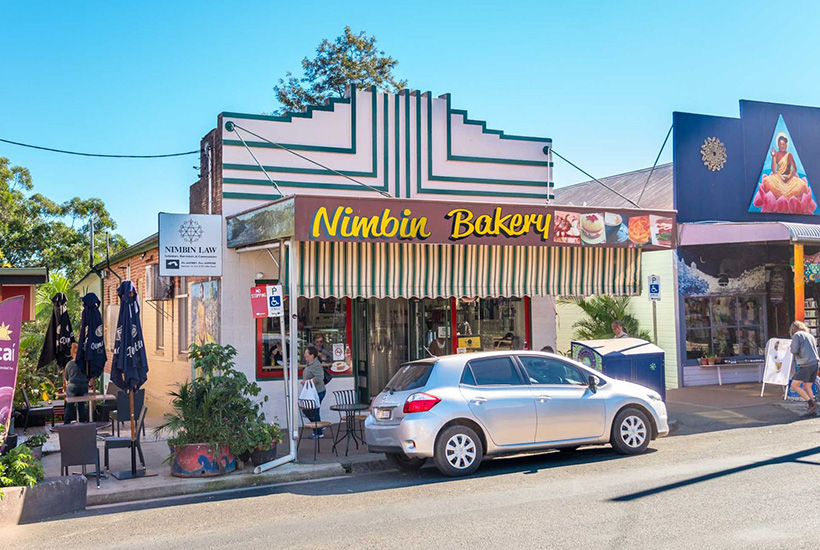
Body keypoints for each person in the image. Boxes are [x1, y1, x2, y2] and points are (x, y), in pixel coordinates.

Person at [789, 321, 818, 417]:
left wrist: (790, 348)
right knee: (807, 386)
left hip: (806, 364)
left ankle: (811, 404)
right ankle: (812, 409)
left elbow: (794, 350)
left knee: (794, 385)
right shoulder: (810, 335)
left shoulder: (797, 335)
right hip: (815, 363)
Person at [301, 345, 327, 437]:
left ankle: (318, 432)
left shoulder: (316, 365)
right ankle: (319, 425)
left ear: (312, 355)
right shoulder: (309, 364)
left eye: (306, 353)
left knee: (314, 410)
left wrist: (307, 382)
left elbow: (319, 378)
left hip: (318, 391)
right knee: (308, 410)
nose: (305, 355)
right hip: (311, 392)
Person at [64, 343, 89, 423]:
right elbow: (89, 375)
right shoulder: (85, 364)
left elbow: (67, 378)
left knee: (69, 406)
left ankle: (66, 424)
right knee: (81, 405)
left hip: (72, 386)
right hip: (83, 386)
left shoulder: (69, 364)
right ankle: (83, 423)